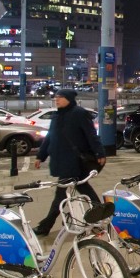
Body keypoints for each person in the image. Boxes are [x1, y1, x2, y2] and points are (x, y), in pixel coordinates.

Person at [33, 89, 106, 236]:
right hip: (63, 160)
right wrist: (41, 155)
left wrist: (99, 152)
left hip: (74, 162)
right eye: (56, 97)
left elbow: (91, 134)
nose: (57, 99)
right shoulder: (57, 116)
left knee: (60, 196)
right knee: (84, 189)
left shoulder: (79, 113)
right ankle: (101, 216)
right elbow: (50, 137)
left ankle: (45, 226)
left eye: (60, 97)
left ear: (69, 99)